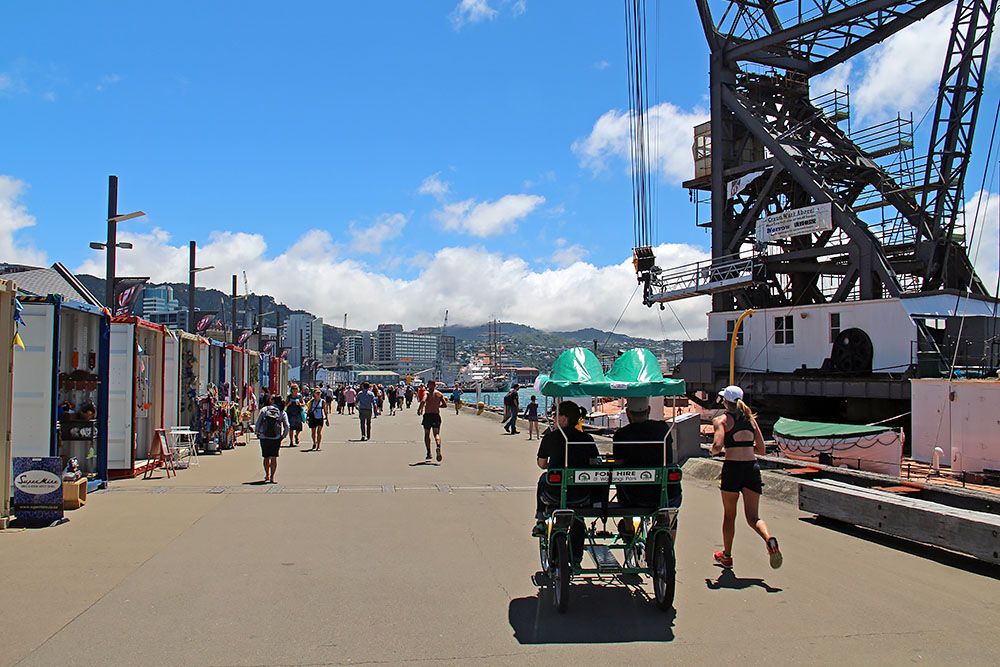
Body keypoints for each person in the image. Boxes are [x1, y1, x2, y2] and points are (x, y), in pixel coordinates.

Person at [710, 385, 782, 570]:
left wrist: (715, 450)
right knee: (753, 517)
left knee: (729, 515)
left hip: (732, 469)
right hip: (751, 468)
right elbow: (762, 449)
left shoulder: (721, 420)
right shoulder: (751, 420)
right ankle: (769, 539)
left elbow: (717, 445)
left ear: (725, 401)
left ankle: (727, 556)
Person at [532, 401, 600, 564]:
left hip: (554, 493)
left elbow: (542, 464)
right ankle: (576, 557)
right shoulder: (586, 438)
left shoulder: (551, 437)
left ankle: (541, 518)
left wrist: (552, 467)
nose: (554, 418)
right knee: (578, 519)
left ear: (564, 418)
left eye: (556, 415)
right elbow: (593, 463)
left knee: (543, 479)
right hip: (581, 494)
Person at [612, 396, 680, 512]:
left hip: (633, 497)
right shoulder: (663, 429)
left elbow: (619, 463)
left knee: (620, 476)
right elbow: (669, 459)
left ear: (628, 413)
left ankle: (628, 527)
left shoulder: (621, 435)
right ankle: (667, 525)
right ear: (648, 410)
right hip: (666, 495)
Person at [255, 395, 289, 484]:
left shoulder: (265, 409)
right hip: (276, 437)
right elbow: (287, 426)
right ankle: (272, 477)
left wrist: (257, 432)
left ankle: (267, 474)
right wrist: (283, 436)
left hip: (264, 436)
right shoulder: (282, 412)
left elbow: (258, 422)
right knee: (274, 458)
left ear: (272, 401)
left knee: (266, 457)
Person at [417, 380, 447, 461]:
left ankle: (429, 452)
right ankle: (438, 446)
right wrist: (437, 406)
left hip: (428, 416)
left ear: (429, 385)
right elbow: (445, 405)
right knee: (436, 434)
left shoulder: (426, 393)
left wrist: (419, 409)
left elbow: (423, 401)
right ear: (435, 385)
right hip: (436, 415)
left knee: (427, 434)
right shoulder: (439, 394)